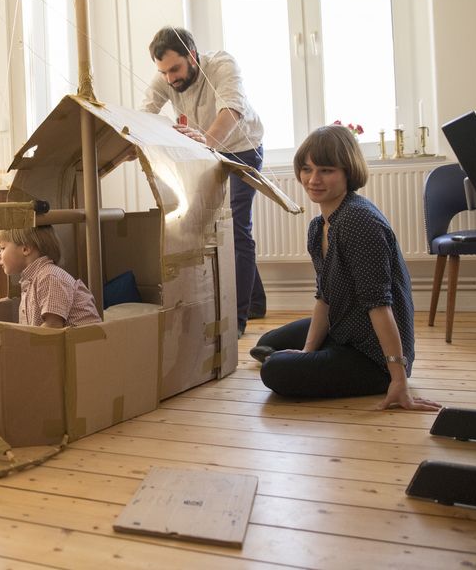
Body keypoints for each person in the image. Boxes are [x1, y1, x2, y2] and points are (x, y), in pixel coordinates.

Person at [250, 125, 440, 410]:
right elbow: (324, 295)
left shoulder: (358, 221)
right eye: (306, 168)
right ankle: (323, 354)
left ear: (347, 172)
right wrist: (308, 352)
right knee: (269, 341)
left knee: (273, 369)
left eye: (326, 170)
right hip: (345, 326)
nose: (313, 179)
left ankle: (370, 369)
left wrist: (398, 380)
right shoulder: (319, 226)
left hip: (372, 355)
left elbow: (379, 305)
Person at [140, 26, 266, 336]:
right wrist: (134, 141)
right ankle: (257, 301)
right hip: (206, 150)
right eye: (164, 72)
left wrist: (205, 145)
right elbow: (146, 112)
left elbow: (231, 111)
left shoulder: (223, 65)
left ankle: (236, 321)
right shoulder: (166, 76)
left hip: (242, 149)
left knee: (237, 226)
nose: (170, 78)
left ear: (192, 56)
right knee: (211, 224)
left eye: (175, 69)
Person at [0, 226, 102, 327]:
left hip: (84, 345)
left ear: (25, 249)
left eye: (2, 248)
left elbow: (53, 326)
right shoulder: (31, 280)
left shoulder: (49, 276)